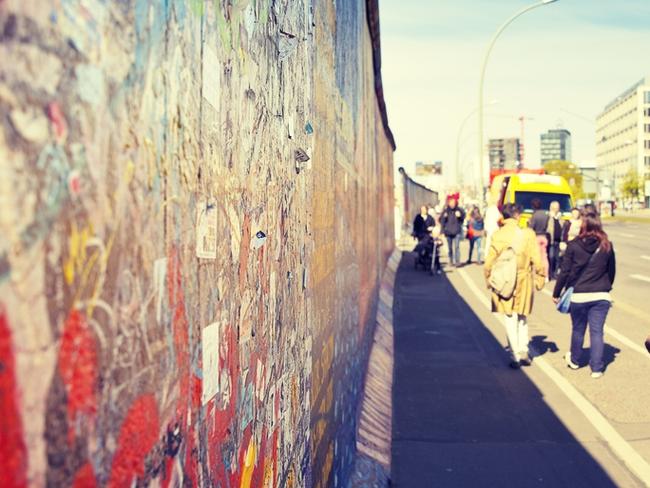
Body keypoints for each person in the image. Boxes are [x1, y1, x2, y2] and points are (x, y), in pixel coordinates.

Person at [552, 213, 616, 379]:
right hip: (601, 295)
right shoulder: (606, 245)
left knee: (578, 329)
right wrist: (605, 287)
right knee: (597, 332)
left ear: (583, 226)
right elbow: (611, 271)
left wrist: (556, 292)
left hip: (579, 295)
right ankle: (596, 368)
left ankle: (575, 360)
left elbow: (564, 271)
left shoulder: (573, 245)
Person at [484, 203, 546, 368]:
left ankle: (515, 355)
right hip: (524, 279)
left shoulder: (498, 235)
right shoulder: (528, 234)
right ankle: (524, 349)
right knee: (522, 315)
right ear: (517, 215)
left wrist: (489, 279)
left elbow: (489, 261)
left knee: (509, 317)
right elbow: (537, 260)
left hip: (505, 280)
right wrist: (540, 277)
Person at [440, 197, 465, 267]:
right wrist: (442, 231)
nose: (452, 204)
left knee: (457, 247)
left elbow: (463, 219)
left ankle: (457, 262)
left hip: (456, 231)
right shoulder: (446, 211)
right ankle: (451, 260)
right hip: (448, 232)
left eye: (453, 203)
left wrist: (460, 216)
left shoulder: (459, 210)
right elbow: (441, 221)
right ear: (449, 203)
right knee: (450, 247)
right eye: (451, 203)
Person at [528, 198, 549, 279]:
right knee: (544, 257)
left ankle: (536, 274)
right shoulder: (545, 214)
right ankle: (546, 275)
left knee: (535, 257)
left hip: (536, 237)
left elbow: (531, 227)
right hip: (544, 236)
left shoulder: (534, 215)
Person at [547, 201, 563, 279]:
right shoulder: (548, 217)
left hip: (558, 241)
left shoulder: (560, 217)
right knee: (551, 257)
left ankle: (555, 273)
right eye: (554, 208)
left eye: (557, 208)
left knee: (557, 258)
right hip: (551, 241)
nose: (556, 209)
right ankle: (550, 273)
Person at [484, 194, 502, 259]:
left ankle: (487, 255)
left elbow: (486, 219)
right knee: (493, 243)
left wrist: (486, 228)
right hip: (494, 229)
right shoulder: (496, 210)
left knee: (488, 243)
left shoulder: (489, 209)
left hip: (490, 228)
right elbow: (499, 219)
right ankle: (492, 256)